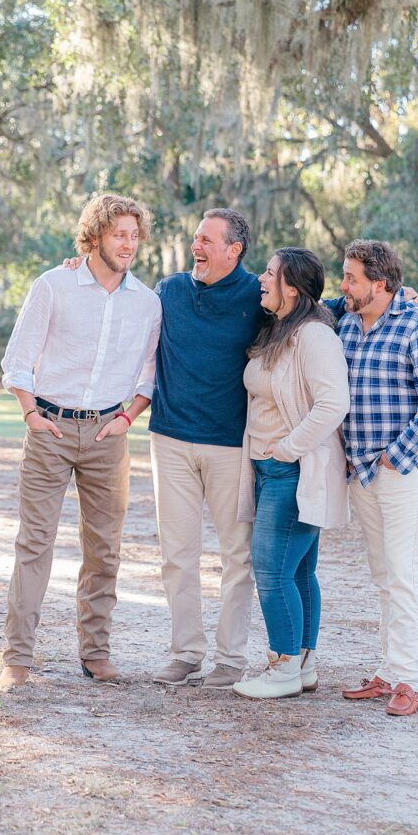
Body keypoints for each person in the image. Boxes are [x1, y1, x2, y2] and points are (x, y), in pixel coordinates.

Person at [0, 194, 162, 693]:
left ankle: (96, 655)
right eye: (119, 235)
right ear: (94, 237)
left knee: (105, 551)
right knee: (34, 546)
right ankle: (17, 660)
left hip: (109, 434)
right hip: (50, 428)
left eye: (134, 235)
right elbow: (18, 359)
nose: (129, 245)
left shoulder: (148, 302)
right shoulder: (53, 285)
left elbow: (149, 373)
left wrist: (128, 418)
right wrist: (30, 413)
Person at [336, 239, 418, 717]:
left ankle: (409, 679)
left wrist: (395, 456)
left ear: (381, 285)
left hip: (407, 470)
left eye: (351, 278)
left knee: (404, 575)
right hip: (361, 470)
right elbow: (311, 302)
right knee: (385, 576)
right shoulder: (346, 322)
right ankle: (388, 671)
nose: (343, 286)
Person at [148, 210, 263, 688]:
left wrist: (395, 296)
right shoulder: (168, 291)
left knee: (237, 556)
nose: (197, 245)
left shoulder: (260, 294)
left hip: (230, 446)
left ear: (234, 249)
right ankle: (185, 653)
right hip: (170, 439)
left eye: (207, 240)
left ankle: (231, 659)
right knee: (177, 554)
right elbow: (115, 302)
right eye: (195, 237)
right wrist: (79, 267)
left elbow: (317, 306)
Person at [229, 248, 349, 700]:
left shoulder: (314, 337)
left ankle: (282, 666)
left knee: (272, 571)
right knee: (297, 572)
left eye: (270, 273)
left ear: (292, 288)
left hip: (293, 471)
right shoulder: (281, 329)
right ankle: (302, 663)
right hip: (269, 468)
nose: (261, 278)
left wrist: (289, 449)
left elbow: (334, 403)